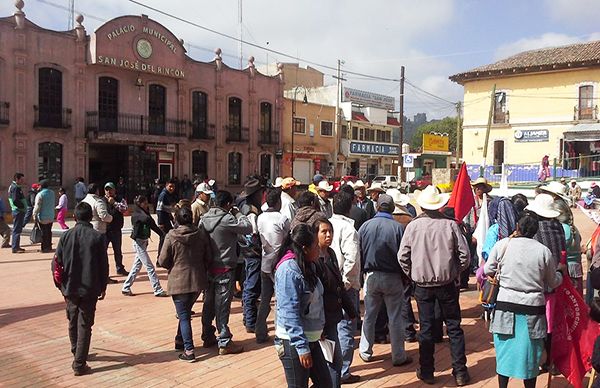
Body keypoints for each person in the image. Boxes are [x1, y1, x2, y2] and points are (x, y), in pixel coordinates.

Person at [399, 185, 471, 386]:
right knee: (454, 327)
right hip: (446, 284)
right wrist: (454, 272)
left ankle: (428, 371)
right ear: (439, 205)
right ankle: (460, 372)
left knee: (427, 329)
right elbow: (465, 256)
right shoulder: (450, 226)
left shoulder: (413, 226)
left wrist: (413, 274)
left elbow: (402, 256)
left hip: (423, 285)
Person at [484, 212, 565, 388]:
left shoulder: (503, 245)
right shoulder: (543, 251)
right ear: (535, 231)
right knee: (531, 353)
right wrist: (560, 272)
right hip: (532, 308)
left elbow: (488, 269)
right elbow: (553, 281)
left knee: (504, 351)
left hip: (506, 305)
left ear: (517, 227)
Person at [52, 201, 108, 376]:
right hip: (90, 287)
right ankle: (79, 362)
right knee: (84, 324)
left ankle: (77, 351)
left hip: (70, 287)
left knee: (72, 320)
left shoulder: (66, 236)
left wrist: (60, 285)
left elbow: (56, 262)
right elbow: (103, 265)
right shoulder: (97, 237)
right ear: (91, 217)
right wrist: (103, 285)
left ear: (74, 217)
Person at [273, 223, 332, 388]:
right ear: (305, 248)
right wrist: (301, 347)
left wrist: (318, 328)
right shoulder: (288, 271)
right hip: (293, 342)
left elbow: (314, 301)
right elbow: (289, 313)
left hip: (310, 337)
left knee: (325, 383)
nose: (318, 249)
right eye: (315, 246)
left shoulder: (309, 265)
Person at [359, 194, 413, 368]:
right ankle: (398, 355)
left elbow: (358, 252)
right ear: (391, 209)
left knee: (369, 316)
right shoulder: (398, 228)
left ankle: (365, 351)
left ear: (377, 207)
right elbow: (404, 255)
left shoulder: (365, 227)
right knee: (395, 317)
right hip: (392, 277)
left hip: (371, 276)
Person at [158, 206, 212, 362]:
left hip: (178, 280)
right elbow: (208, 257)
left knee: (183, 316)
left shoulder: (171, 236)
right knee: (185, 312)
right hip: (197, 280)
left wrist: (171, 267)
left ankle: (189, 350)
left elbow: (162, 260)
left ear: (176, 220)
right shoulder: (201, 234)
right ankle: (180, 340)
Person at [201, 190, 252, 355]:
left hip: (209, 267)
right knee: (222, 306)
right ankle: (224, 340)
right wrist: (238, 213)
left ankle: (207, 334)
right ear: (228, 204)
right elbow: (248, 227)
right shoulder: (227, 219)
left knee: (208, 304)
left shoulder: (204, 219)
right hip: (224, 267)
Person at [315, 218, 358, 387]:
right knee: (334, 362)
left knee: (333, 361)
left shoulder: (331, 254)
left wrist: (351, 310)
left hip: (333, 316)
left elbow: (338, 285)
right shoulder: (315, 260)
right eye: (323, 232)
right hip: (322, 319)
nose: (328, 235)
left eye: (330, 231)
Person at [329, 191, 361, 384]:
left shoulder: (325, 225)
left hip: (329, 283)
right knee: (346, 328)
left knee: (333, 327)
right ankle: (343, 371)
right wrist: (347, 284)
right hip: (344, 285)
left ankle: (333, 366)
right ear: (350, 208)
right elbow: (351, 260)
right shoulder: (349, 230)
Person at [256, 187, 290, 343]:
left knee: (265, 299)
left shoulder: (260, 218)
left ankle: (260, 331)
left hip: (265, 262)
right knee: (280, 299)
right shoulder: (282, 219)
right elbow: (287, 238)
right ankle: (279, 331)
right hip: (279, 263)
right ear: (278, 202)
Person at [121, 195, 167, 297]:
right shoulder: (137, 214)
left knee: (136, 266)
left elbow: (153, 226)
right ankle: (157, 289)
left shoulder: (144, 213)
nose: (146, 205)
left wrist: (163, 235)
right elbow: (146, 220)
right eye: (145, 203)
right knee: (149, 267)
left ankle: (126, 287)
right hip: (138, 244)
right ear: (140, 204)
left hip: (144, 242)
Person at [238, 178, 265, 335]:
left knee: (250, 284)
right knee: (252, 286)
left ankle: (248, 316)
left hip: (249, 253)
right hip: (252, 253)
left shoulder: (249, 207)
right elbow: (252, 235)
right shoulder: (251, 212)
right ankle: (250, 320)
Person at [82, 183, 115, 282]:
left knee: (90, 255)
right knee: (101, 256)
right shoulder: (98, 201)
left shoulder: (84, 201)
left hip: (86, 230)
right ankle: (104, 277)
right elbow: (104, 216)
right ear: (97, 191)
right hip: (99, 231)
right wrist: (111, 218)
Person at [105, 182, 129, 276]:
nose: (109, 191)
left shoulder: (120, 199)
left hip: (116, 229)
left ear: (114, 190)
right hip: (105, 230)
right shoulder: (102, 200)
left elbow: (125, 209)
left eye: (110, 189)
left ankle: (119, 268)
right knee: (103, 251)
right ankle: (104, 270)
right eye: (107, 189)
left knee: (117, 250)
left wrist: (114, 203)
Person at [32, 179, 56, 253]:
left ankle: (44, 248)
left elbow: (37, 206)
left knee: (43, 233)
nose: (38, 187)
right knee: (49, 231)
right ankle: (49, 246)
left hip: (43, 217)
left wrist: (34, 215)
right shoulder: (52, 193)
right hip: (51, 216)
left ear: (41, 186)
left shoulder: (40, 194)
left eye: (39, 185)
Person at [156, 179, 178, 256]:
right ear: (166, 185)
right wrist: (160, 223)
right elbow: (159, 209)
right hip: (163, 221)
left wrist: (172, 219)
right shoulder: (163, 195)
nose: (172, 188)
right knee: (163, 239)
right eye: (170, 186)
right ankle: (160, 258)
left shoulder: (168, 194)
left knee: (169, 237)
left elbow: (167, 209)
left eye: (173, 187)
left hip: (166, 219)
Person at [8, 172, 28, 253]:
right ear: (17, 179)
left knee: (17, 229)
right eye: (21, 179)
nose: (23, 181)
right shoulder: (15, 188)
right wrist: (22, 207)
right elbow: (15, 200)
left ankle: (16, 246)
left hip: (18, 210)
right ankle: (15, 247)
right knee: (17, 229)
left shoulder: (14, 187)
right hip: (18, 211)